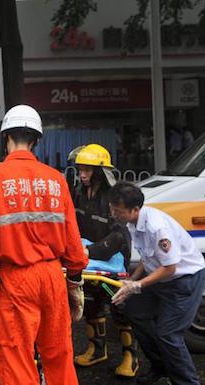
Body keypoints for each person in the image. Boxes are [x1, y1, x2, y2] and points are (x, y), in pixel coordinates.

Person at [0, 105, 88, 385]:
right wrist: (76, 283)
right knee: (59, 354)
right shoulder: (56, 180)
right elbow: (72, 239)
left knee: (16, 355)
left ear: (5, 137)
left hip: (16, 279)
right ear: (36, 140)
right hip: (53, 278)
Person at [109, 182, 205, 385]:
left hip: (184, 280)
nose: (113, 214)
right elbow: (147, 258)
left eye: (117, 210)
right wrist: (131, 281)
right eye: (112, 208)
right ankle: (161, 365)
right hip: (160, 277)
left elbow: (170, 267)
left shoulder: (156, 227)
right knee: (135, 312)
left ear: (135, 209)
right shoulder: (133, 222)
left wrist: (138, 285)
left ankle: (187, 382)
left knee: (168, 333)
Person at [69, 144, 139, 378]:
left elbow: (119, 236)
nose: (82, 174)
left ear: (100, 171)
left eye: (87, 170)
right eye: (80, 169)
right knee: (90, 304)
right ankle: (97, 350)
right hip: (89, 262)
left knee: (119, 306)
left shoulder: (113, 197)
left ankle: (131, 357)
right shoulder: (79, 191)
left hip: (111, 265)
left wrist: (91, 251)